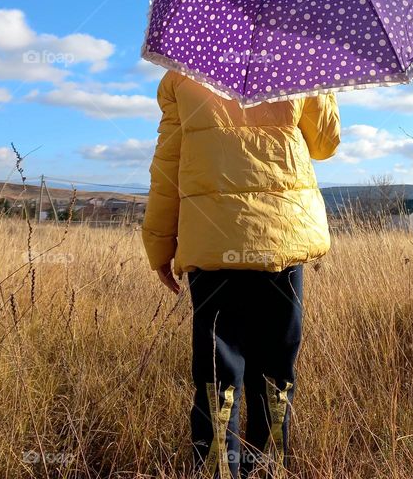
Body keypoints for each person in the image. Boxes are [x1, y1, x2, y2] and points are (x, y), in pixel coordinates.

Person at [142, 69, 340, 478]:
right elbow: (325, 145)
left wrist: (160, 244)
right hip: (280, 244)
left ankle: (218, 472)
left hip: (212, 248)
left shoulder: (183, 72)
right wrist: (321, 78)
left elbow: (167, 165)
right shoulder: (299, 62)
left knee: (218, 373)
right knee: (276, 369)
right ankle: (269, 469)